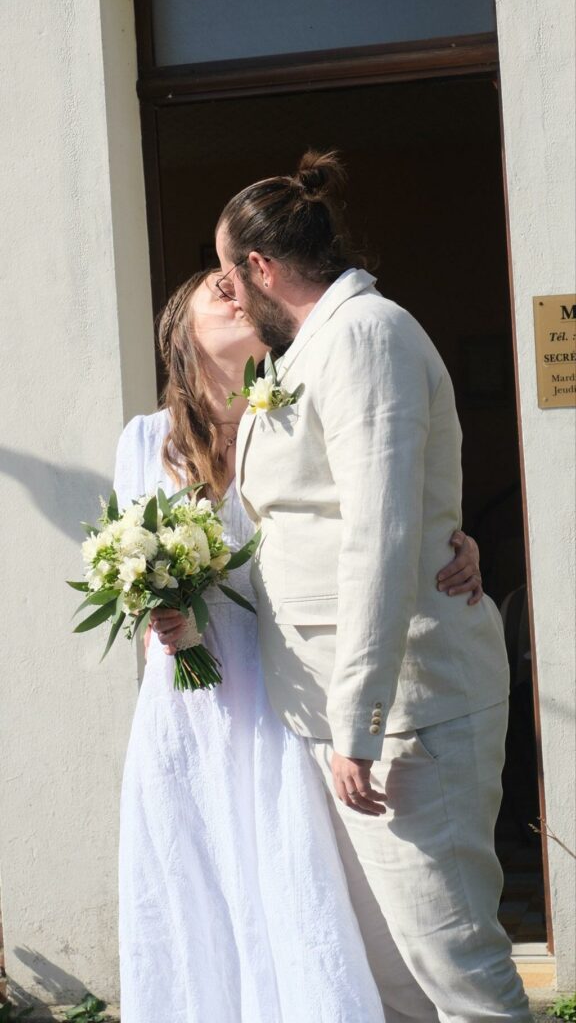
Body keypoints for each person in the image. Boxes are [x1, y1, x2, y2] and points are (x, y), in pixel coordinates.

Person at [212, 151, 532, 1022]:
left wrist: (357, 721)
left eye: (228, 274)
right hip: (345, 715)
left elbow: (382, 539)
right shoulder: (307, 351)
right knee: (394, 977)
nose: (226, 297)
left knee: (456, 966)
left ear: (262, 268)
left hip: (405, 713)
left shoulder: (368, 334)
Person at [115, 269, 485, 1023]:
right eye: (216, 291)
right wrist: (161, 618)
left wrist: (454, 543)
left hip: (289, 695)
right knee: (202, 894)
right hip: (188, 706)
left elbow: (368, 515)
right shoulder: (145, 441)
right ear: (182, 333)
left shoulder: (287, 414)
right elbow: (132, 569)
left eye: (238, 285)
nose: (235, 293)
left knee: (308, 895)